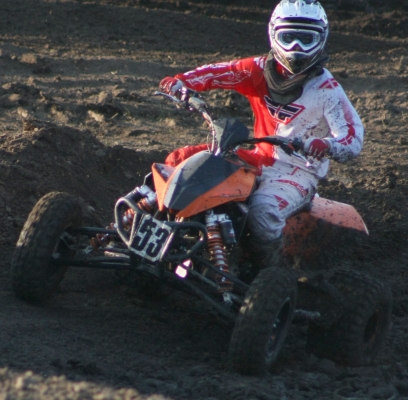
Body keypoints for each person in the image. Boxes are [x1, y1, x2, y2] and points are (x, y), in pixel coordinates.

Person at [158, 0, 364, 267]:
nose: (296, 48)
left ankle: (262, 271)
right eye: (288, 38)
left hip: (297, 171)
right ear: (274, 34)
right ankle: (152, 230)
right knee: (179, 160)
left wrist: (326, 145)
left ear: (321, 39)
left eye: (306, 39)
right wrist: (181, 83)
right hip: (256, 156)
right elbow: (216, 73)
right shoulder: (256, 69)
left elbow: (352, 138)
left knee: (263, 212)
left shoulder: (328, 91)